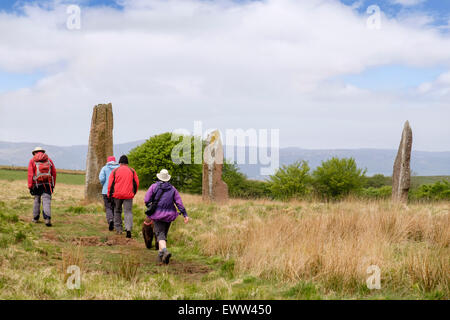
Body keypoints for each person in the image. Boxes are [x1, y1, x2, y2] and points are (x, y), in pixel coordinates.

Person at [144, 169, 189, 265]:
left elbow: (146, 199)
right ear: (167, 178)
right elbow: (179, 203)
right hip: (169, 215)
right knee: (163, 235)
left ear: (159, 177)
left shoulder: (154, 187)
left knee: (160, 235)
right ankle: (161, 256)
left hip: (158, 215)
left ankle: (164, 250)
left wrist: (150, 206)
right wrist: (185, 214)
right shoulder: (173, 189)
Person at [107, 155, 139, 238]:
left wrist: (109, 195)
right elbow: (136, 183)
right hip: (128, 195)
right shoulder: (132, 171)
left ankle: (119, 229)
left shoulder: (115, 171)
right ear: (127, 163)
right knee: (128, 212)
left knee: (117, 211)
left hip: (117, 195)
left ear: (119, 162)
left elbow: (110, 184)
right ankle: (128, 229)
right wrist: (133, 193)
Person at [27, 147, 57, 227]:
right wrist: (53, 185)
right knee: (46, 200)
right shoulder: (49, 160)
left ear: (34, 153)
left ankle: (35, 218)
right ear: (43, 152)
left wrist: (30, 186)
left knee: (37, 200)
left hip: (37, 184)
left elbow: (30, 175)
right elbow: (54, 173)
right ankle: (47, 219)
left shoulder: (32, 161)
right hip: (48, 184)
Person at [99, 156, 119, 231]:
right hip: (116, 191)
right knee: (115, 207)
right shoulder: (119, 168)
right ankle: (115, 222)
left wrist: (104, 184)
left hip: (106, 191)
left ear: (108, 161)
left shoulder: (104, 168)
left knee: (108, 207)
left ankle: (110, 220)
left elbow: (101, 178)